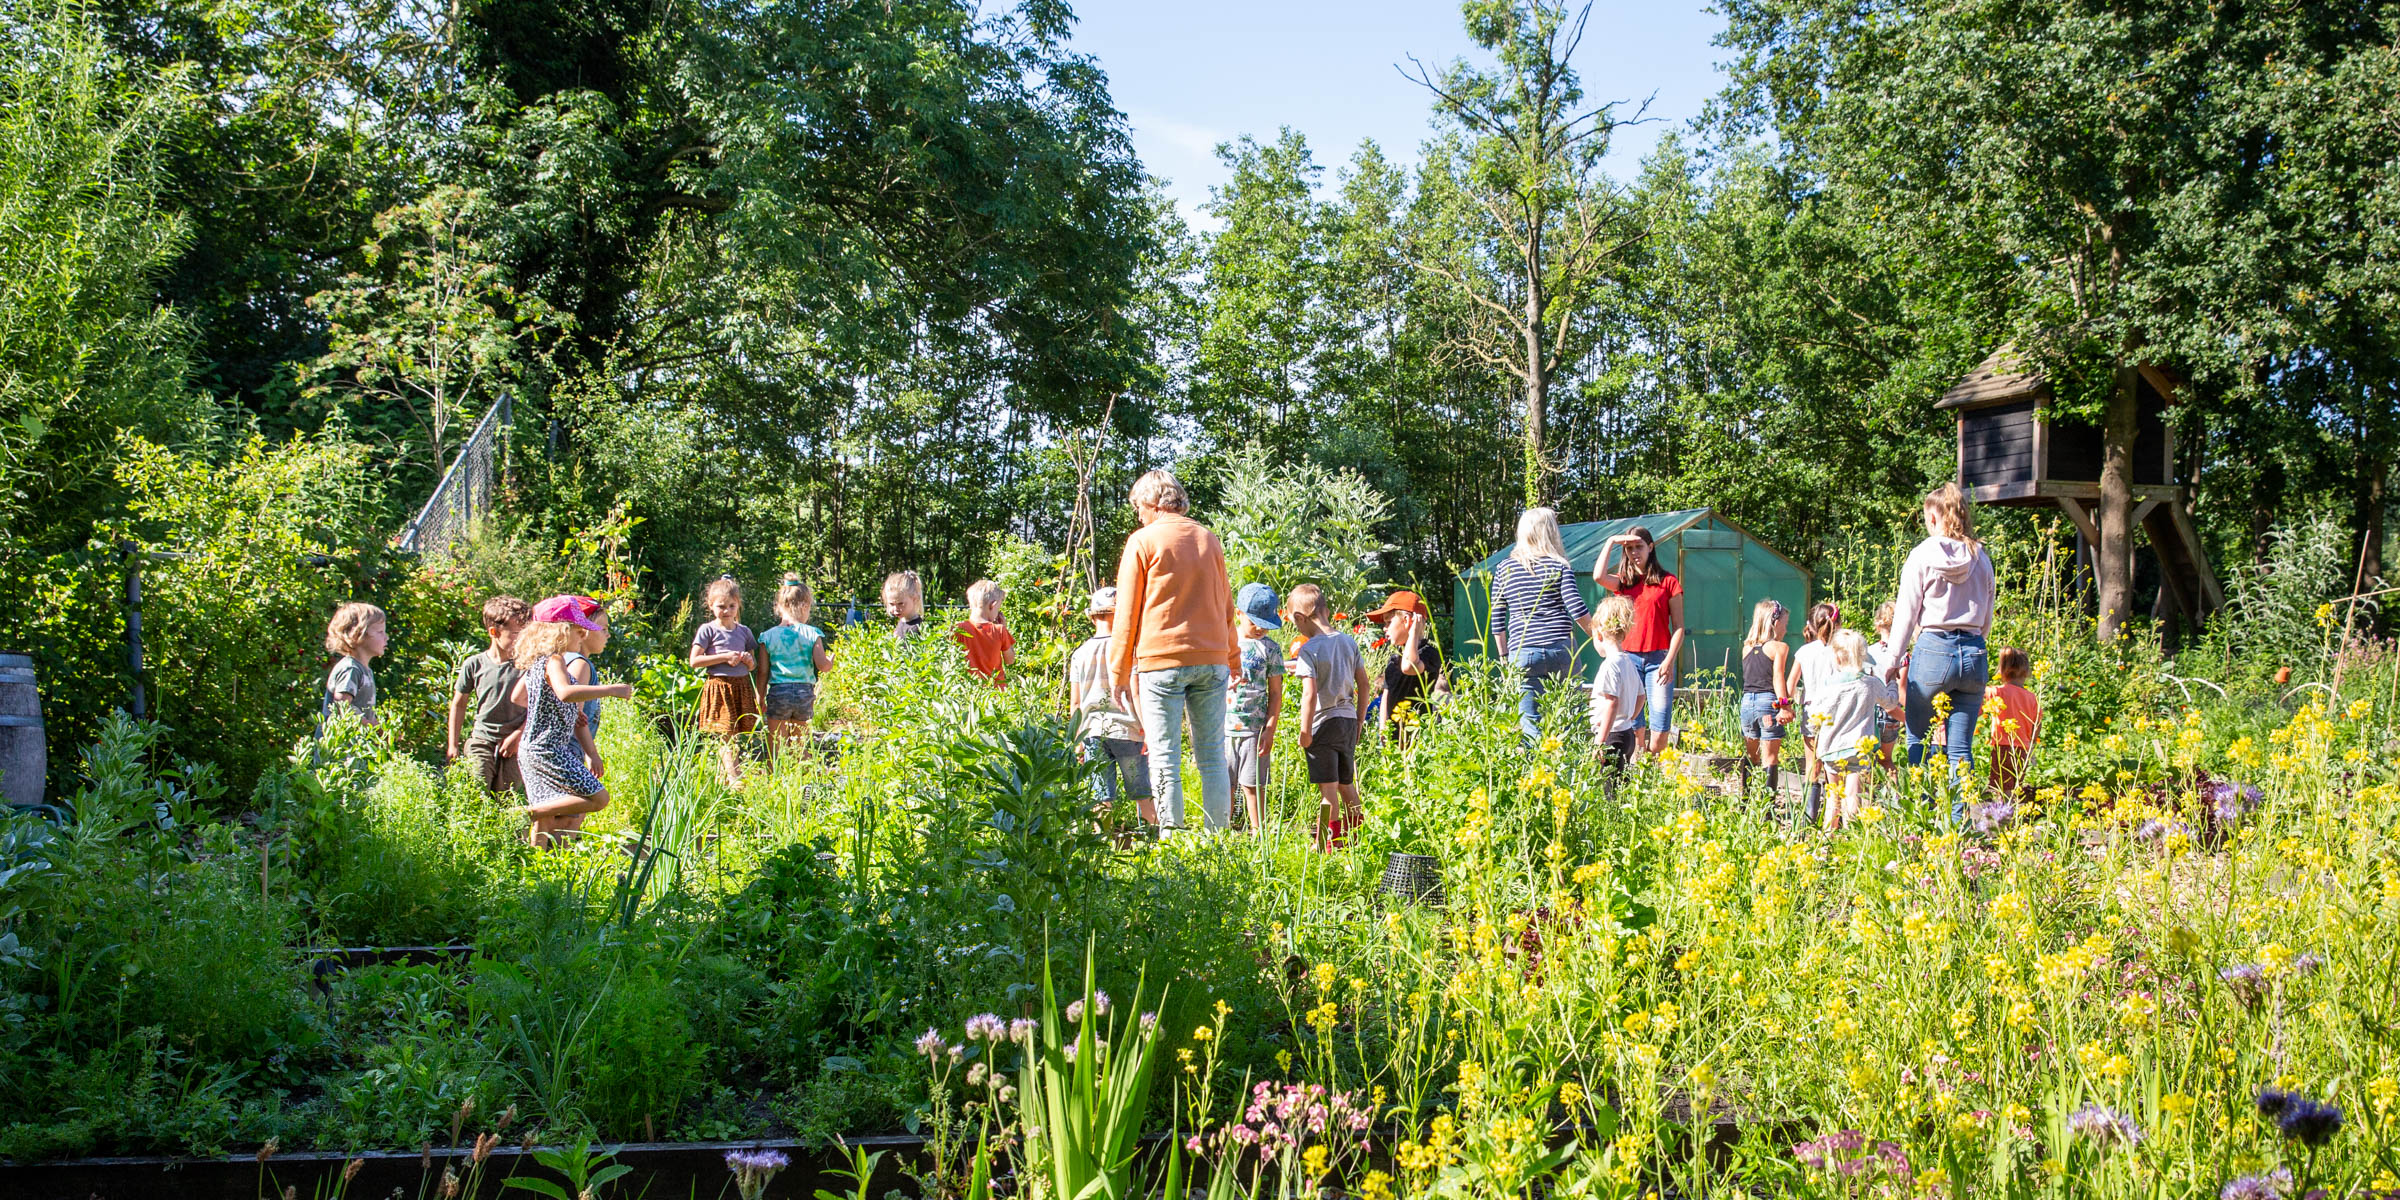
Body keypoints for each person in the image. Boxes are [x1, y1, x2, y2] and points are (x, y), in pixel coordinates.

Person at [1107, 469, 1240, 833]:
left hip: (1161, 663)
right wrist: (1233, 657)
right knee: (1212, 756)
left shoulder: (1142, 541)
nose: (1138, 515)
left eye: (1138, 506)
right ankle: (1217, 840)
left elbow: (1126, 614)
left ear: (1152, 502)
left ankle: (1173, 840)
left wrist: (1117, 673)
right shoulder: (1208, 539)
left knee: (1165, 758)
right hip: (1211, 661)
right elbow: (1226, 605)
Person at [1879, 482, 1998, 783]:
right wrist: (1974, 641)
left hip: (1933, 646)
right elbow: (1987, 614)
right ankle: (1958, 820)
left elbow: (1906, 613)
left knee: (1919, 736)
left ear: (1933, 518)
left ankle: (1922, 811)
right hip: (1973, 649)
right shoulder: (1980, 557)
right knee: (1960, 748)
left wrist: (1893, 660)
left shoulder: (1921, 555)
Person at [514, 596, 634, 847]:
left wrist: (568, 714)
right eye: (577, 630)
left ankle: (538, 869)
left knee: (546, 809)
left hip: (532, 749)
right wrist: (610, 689)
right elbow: (565, 693)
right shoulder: (555, 659)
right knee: (599, 799)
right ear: (560, 631)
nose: (582, 634)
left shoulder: (539, 662)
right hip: (549, 750)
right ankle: (523, 814)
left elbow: (531, 698)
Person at [1490, 508, 1593, 746]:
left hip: (1523, 651)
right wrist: (1597, 638)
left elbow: (1497, 617)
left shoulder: (1504, 569)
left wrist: (1504, 656)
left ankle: (1536, 777)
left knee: (1530, 723)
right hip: (1561, 649)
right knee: (1570, 719)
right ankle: (1570, 776)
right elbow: (1576, 607)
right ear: (1550, 532)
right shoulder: (1559, 565)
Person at [1593, 524, 1684, 756]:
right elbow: (1598, 576)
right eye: (1630, 548)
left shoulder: (1668, 582)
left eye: (1639, 547)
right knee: (1632, 720)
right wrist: (1611, 541)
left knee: (1661, 722)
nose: (1634, 552)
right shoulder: (1624, 582)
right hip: (1629, 659)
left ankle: (1651, 767)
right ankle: (1636, 768)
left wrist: (1669, 660)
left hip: (1658, 659)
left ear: (1650, 547)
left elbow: (1679, 627)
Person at [1289, 584, 1367, 851]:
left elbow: (1309, 694)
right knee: (1347, 784)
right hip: (1347, 721)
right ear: (1327, 611)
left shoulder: (1309, 650)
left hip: (1323, 724)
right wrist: (1359, 719)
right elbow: (1364, 684)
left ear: (1300, 618)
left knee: (1328, 790)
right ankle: (1357, 838)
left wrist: (1305, 730)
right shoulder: (1348, 641)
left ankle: (1325, 844)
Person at [1069, 587, 1153, 825]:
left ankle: (1101, 846)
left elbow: (1075, 703)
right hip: (1129, 730)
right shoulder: (1129, 650)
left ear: (1093, 617)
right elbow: (1135, 692)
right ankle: (1151, 841)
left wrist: (1077, 741)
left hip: (1093, 733)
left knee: (1100, 796)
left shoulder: (1079, 654)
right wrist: (1147, 728)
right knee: (1142, 794)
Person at [1812, 630, 1901, 832]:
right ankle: (1853, 838)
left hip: (1831, 748)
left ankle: (1827, 839)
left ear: (1836, 656)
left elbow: (1815, 714)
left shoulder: (1827, 685)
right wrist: (1893, 682)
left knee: (1833, 797)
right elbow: (1890, 702)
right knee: (1854, 796)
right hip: (1860, 747)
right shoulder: (1869, 684)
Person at [448, 595, 532, 793]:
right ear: (494, 632)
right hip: (481, 740)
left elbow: (540, 706)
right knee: (476, 792)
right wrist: (453, 744)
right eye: (515, 634)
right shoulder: (474, 664)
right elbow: (458, 704)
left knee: (506, 797)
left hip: (514, 743)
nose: (522, 640)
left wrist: (519, 735)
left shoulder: (528, 665)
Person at [690, 577, 766, 788]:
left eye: (731, 606)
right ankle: (735, 778)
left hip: (741, 686)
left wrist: (749, 661)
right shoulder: (708, 630)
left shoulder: (744, 631)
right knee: (726, 734)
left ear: (738, 605)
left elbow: (752, 664)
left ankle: (724, 776)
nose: (726, 611)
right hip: (719, 687)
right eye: (721, 606)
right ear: (710, 605)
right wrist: (724, 657)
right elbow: (694, 660)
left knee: (738, 734)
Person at [1226, 582, 1287, 831]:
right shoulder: (1224, 644)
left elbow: (1275, 693)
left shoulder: (1270, 649)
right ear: (1238, 613)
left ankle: (1258, 837)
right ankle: (1222, 836)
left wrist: (1270, 729)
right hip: (1224, 728)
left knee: (1253, 785)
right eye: (1254, 622)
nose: (1260, 628)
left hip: (1255, 730)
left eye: (1265, 623)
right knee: (1224, 785)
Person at [760, 578, 833, 756]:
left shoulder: (767, 636)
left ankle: (773, 775)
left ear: (778, 606)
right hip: (803, 693)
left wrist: (760, 696)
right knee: (799, 744)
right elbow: (822, 666)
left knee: (775, 744)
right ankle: (803, 776)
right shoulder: (812, 633)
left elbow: (762, 671)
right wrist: (830, 661)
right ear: (806, 605)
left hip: (779, 692)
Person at [1364, 589, 1445, 744]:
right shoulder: (1395, 657)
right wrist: (1382, 730)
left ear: (1408, 621)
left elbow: (1409, 667)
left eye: (1388, 622)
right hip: (1393, 735)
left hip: (1417, 734)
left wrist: (1414, 633)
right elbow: (1386, 694)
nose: (1384, 628)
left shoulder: (1428, 653)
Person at [1789, 602, 1843, 827]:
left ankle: (1808, 818)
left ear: (1811, 624)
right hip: (1836, 710)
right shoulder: (1841, 650)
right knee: (1835, 770)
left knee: (1812, 766)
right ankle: (1834, 822)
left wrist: (1787, 706)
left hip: (1811, 710)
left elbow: (1790, 684)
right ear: (1837, 623)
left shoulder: (1804, 651)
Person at [1735, 599, 1793, 802]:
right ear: (1774, 622)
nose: (1786, 628)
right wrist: (1784, 706)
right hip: (1767, 704)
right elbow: (1778, 677)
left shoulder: (1746, 648)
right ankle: (1767, 810)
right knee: (1770, 758)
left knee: (1752, 755)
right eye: (1785, 623)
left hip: (1746, 705)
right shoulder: (1779, 647)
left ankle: (1745, 801)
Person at [1587, 595, 1642, 791]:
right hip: (1626, 734)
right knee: (1621, 785)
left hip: (1612, 737)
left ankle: (1614, 819)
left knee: (1609, 789)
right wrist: (1628, 717)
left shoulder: (1609, 666)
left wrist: (1600, 741)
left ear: (1599, 635)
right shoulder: (1628, 662)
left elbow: (1611, 703)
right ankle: (1621, 817)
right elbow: (1641, 697)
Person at [1986, 647, 2041, 801]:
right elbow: (2037, 723)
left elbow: (1977, 699)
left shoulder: (1996, 692)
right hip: (2022, 749)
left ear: (2001, 670)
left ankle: (2003, 816)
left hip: (2002, 747)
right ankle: (2011, 814)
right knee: (2014, 786)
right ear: (2027, 672)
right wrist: (2030, 745)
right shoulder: (2032, 697)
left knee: (2000, 788)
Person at [322, 602, 387, 727]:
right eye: (380, 632)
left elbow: (364, 712)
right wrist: (373, 729)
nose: (386, 637)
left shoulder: (364, 670)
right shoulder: (351, 669)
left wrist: (383, 729)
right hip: (339, 745)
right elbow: (343, 707)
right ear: (357, 634)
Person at [954, 580, 1017, 685]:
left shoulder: (958, 629)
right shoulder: (999, 630)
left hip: (969, 690)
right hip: (995, 692)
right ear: (993, 605)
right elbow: (1010, 660)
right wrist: (1004, 628)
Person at [1865, 602, 1901, 771]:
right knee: (1886, 761)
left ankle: (1865, 796)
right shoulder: (1902, 655)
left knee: (1865, 760)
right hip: (1892, 712)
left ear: (1877, 625)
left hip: (1870, 711)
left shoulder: (1868, 652)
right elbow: (1902, 691)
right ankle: (1894, 796)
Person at [883, 571, 928, 639]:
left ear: (915, 599)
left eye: (901, 604)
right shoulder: (902, 622)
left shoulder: (917, 628)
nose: (896, 609)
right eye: (891, 604)